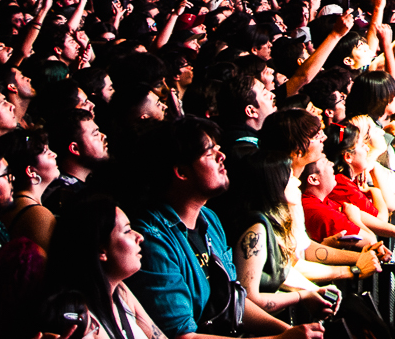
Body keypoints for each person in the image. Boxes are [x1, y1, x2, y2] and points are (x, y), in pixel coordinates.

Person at [126, 117, 323, 339]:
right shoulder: (154, 240)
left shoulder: (208, 220)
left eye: (219, 149)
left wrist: (288, 332)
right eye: (210, 154)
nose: (222, 157)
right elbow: (184, 336)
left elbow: (234, 301)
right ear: (182, 172)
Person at [45, 195, 170, 339]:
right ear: (100, 251)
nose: (139, 236)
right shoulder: (78, 316)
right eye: (127, 231)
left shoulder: (120, 291)